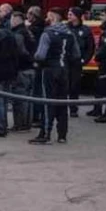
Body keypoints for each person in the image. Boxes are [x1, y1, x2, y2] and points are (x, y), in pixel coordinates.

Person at [31, 8, 79, 145]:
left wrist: (36, 59)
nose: (46, 18)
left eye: (47, 16)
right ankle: (62, 135)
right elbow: (76, 55)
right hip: (65, 70)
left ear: (52, 17)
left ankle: (45, 134)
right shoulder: (70, 34)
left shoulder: (48, 34)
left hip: (50, 70)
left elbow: (40, 55)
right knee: (63, 102)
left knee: (48, 102)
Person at [66, 7, 96, 118]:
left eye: (71, 14)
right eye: (68, 14)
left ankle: (73, 109)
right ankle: (60, 108)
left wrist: (84, 60)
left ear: (77, 16)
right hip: (65, 61)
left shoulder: (85, 30)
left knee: (74, 86)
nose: (69, 16)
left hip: (77, 62)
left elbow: (90, 47)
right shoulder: (65, 28)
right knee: (63, 86)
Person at [10, 11, 36, 133]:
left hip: (21, 69)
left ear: (16, 20)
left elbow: (20, 51)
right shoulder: (28, 32)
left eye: (12, 19)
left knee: (19, 99)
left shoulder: (18, 33)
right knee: (29, 98)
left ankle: (20, 124)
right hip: (31, 69)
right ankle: (27, 124)